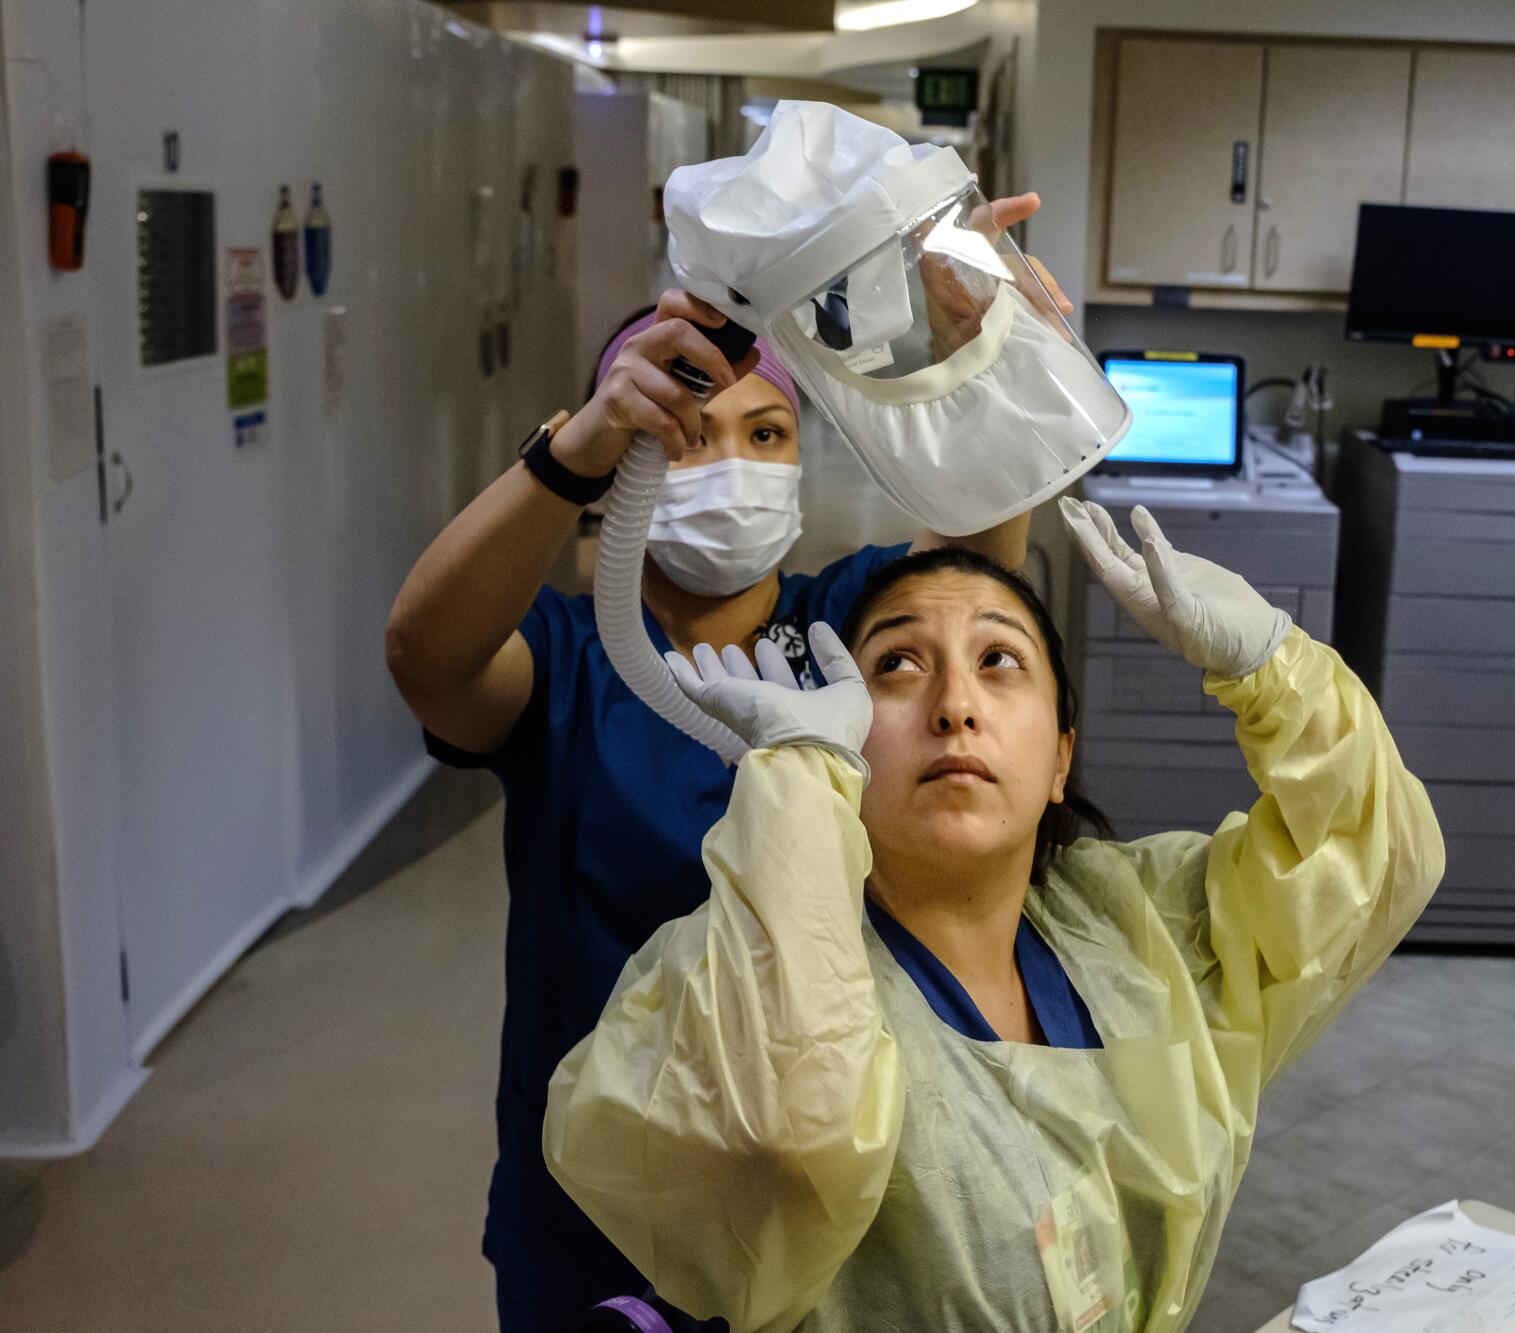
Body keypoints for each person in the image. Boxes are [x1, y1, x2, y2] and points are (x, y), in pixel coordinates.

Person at [383, 192, 1058, 1332]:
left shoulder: (846, 625)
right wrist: (573, 452)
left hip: (831, 1180)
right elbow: (426, 653)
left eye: (766, 434)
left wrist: (976, 352)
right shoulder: (571, 657)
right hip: (603, 1200)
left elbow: (981, 554)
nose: (733, 459)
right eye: (688, 433)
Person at [543, 500, 1448, 1331]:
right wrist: (794, 785)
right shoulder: (733, 977)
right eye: (896, 664)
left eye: (999, 661)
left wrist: (1273, 671)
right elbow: (788, 1137)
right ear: (839, 739)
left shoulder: (1144, 933)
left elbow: (1378, 866)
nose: (955, 707)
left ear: (1060, 761)